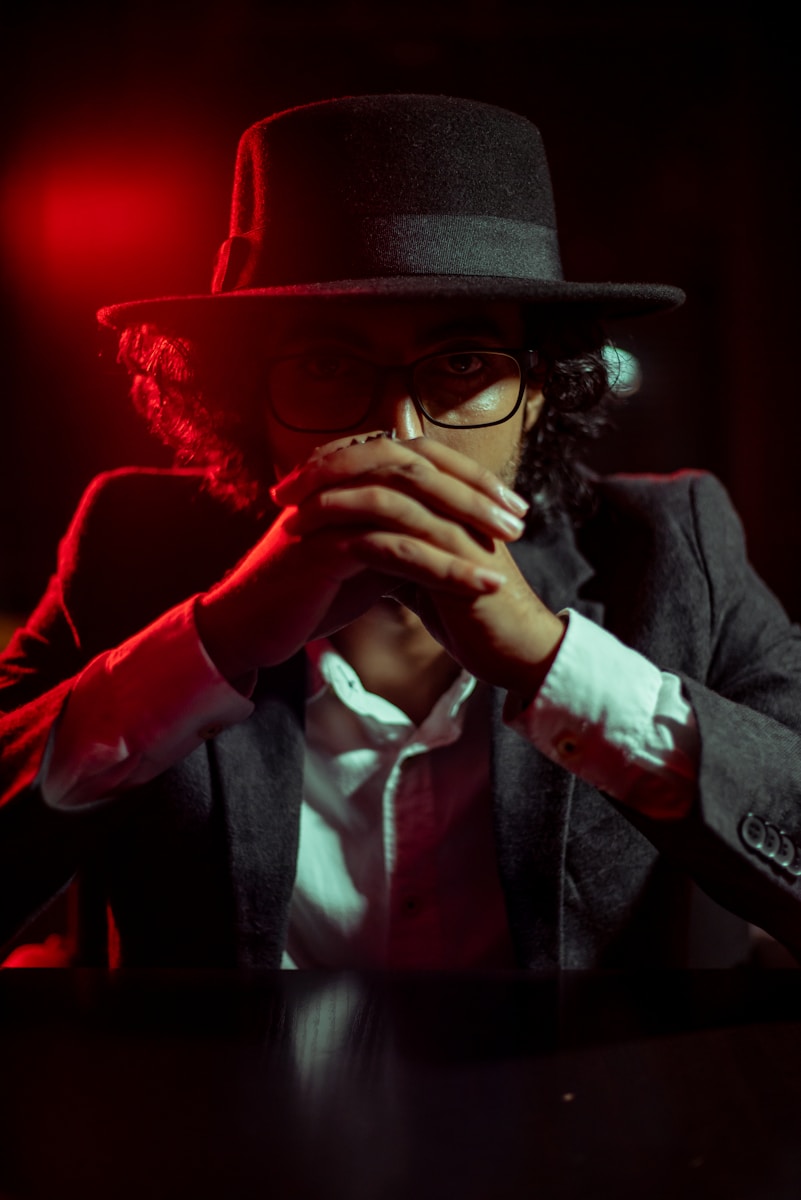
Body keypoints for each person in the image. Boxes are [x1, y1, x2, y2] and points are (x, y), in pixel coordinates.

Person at [1, 94, 800, 970]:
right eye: (327, 365)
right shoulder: (131, 545)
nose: (398, 437)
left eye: (461, 365)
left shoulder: (672, 545)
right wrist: (211, 642)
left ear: (538, 392)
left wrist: (550, 661)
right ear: (245, 399)